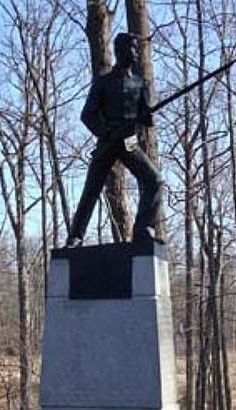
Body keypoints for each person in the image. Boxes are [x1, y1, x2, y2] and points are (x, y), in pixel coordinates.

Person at [66, 32, 164, 248]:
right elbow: (88, 115)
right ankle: (76, 235)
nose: (137, 53)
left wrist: (147, 116)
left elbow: (147, 119)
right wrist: (105, 133)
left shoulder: (141, 84)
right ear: (120, 50)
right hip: (108, 141)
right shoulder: (102, 82)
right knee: (92, 189)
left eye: (138, 48)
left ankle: (141, 230)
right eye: (133, 48)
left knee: (154, 180)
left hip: (129, 142)